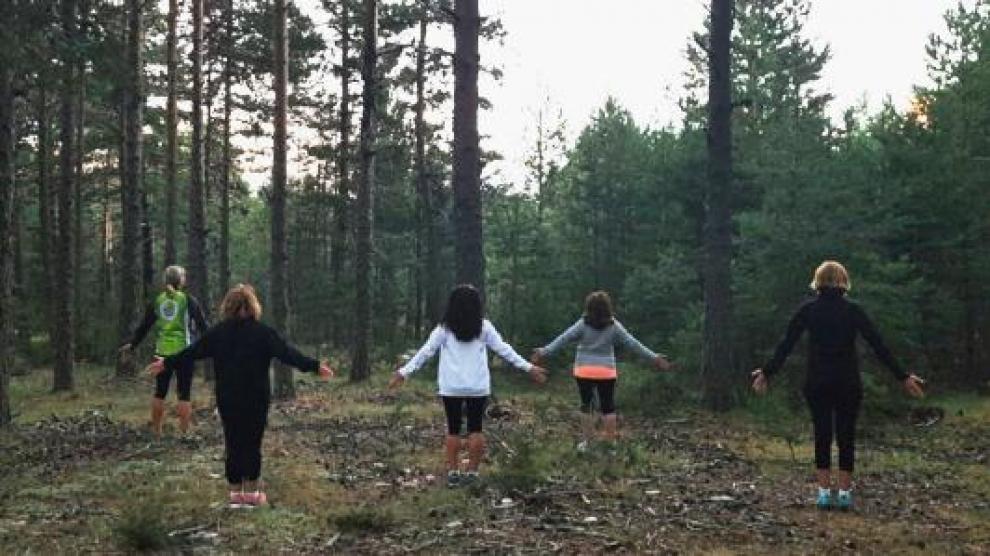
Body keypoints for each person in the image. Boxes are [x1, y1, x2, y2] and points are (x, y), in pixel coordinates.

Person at [751, 261, 925, 511]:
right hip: (847, 382)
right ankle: (844, 494)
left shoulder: (808, 310)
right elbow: (878, 345)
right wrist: (903, 376)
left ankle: (823, 493)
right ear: (844, 282)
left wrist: (767, 372)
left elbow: (786, 344)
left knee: (822, 434)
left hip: (817, 382)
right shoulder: (853, 311)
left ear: (817, 282)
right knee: (846, 435)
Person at [146, 284, 334, 507]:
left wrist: (166, 363)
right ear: (253, 306)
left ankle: (235, 495)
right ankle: (252, 494)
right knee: (252, 442)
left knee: (233, 440)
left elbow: (192, 352)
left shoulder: (218, 333)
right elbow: (288, 353)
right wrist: (315, 366)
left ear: (228, 306)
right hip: (256, 396)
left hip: (228, 396)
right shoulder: (264, 333)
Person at [388, 284, 547, 487]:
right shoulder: (484, 327)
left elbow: (425, 352)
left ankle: (454, 472)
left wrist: (403, 372)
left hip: (451, 386)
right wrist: (529, 368)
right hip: (477, 386)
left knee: (453, 429)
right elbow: (504, 350)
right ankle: (471, 472)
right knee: (476, 428)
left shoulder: (444, 329)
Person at [531, 291, 673, 446]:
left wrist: (544, 351)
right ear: (608, 308)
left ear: (588, 307)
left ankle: (588, 442)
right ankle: (610, 444)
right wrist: (654, 358)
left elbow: (564, 338)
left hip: (583, 370)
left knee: (587, 405)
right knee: (608, 407)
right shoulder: (614, 326)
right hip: (606, 371)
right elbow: (633, 344)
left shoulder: (582, 324)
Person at [121, 265, 209, 438]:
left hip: (161, 353)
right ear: (181, 281)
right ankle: (184, 432)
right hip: (184, 353)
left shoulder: (158, 301)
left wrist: (132, 345)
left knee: (160, 391)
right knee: (184, 393)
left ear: (166, 281)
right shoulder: (188, 300)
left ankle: (157, 432)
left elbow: (145, 326)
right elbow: (203, 326)